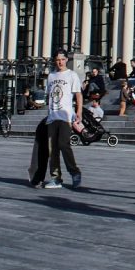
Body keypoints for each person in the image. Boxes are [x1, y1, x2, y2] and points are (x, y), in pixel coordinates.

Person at [43, 50, 84, 189]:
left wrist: (79, 112)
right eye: (57, 59)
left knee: (63, 144)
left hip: (66, 116)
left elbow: (78, 95)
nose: (59, 62)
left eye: (62, 59)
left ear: (66, 60)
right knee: (51, 148)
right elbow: (49, 95)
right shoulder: (51, 76)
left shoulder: (72, 75)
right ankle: (56, 178)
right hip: (52, 117)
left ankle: (75, 173)